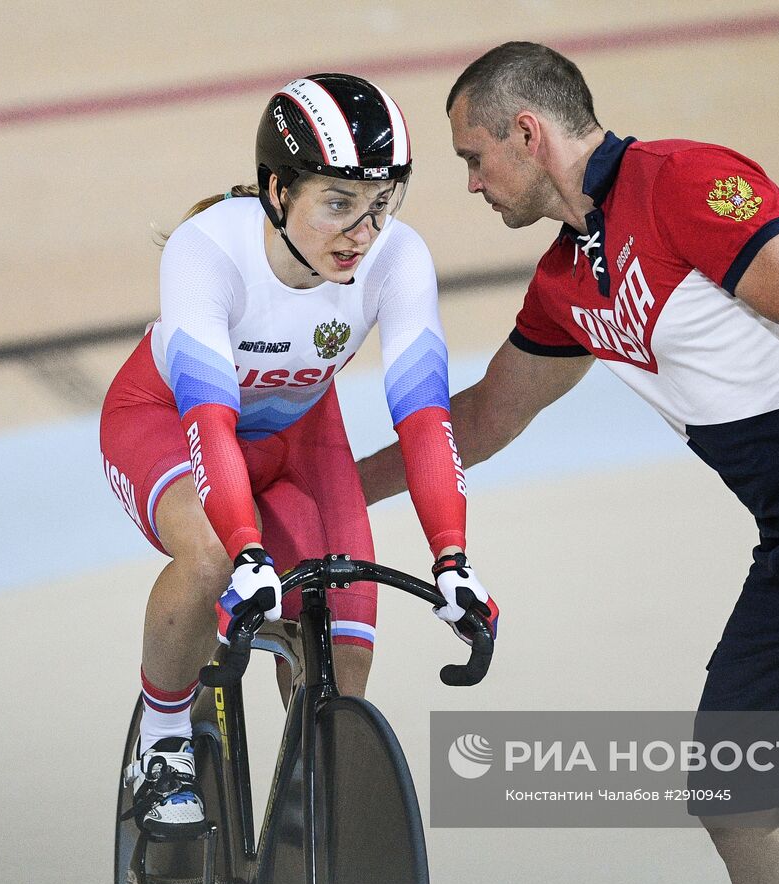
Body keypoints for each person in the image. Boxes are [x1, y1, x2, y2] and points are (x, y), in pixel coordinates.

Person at [356, 44, 779, 884]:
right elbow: (484, 420)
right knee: (733, 789)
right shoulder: (566, 281)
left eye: (472, 156)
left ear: (527, 132)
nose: (470, 182)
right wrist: (336, 490)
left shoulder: (681, 179)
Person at [100, 73, 498, 840]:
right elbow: (209, 417)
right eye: (339, 202)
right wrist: (248, 549)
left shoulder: (399, 260)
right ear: (278, 193)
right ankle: (162, 741)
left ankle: (293, 835)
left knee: (342, 662)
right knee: (214, 555)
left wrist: (453, 556)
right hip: (167, 422)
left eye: (383, 203)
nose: (363, 232)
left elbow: (423, 418)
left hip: (299, 441)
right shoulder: (207, 248)